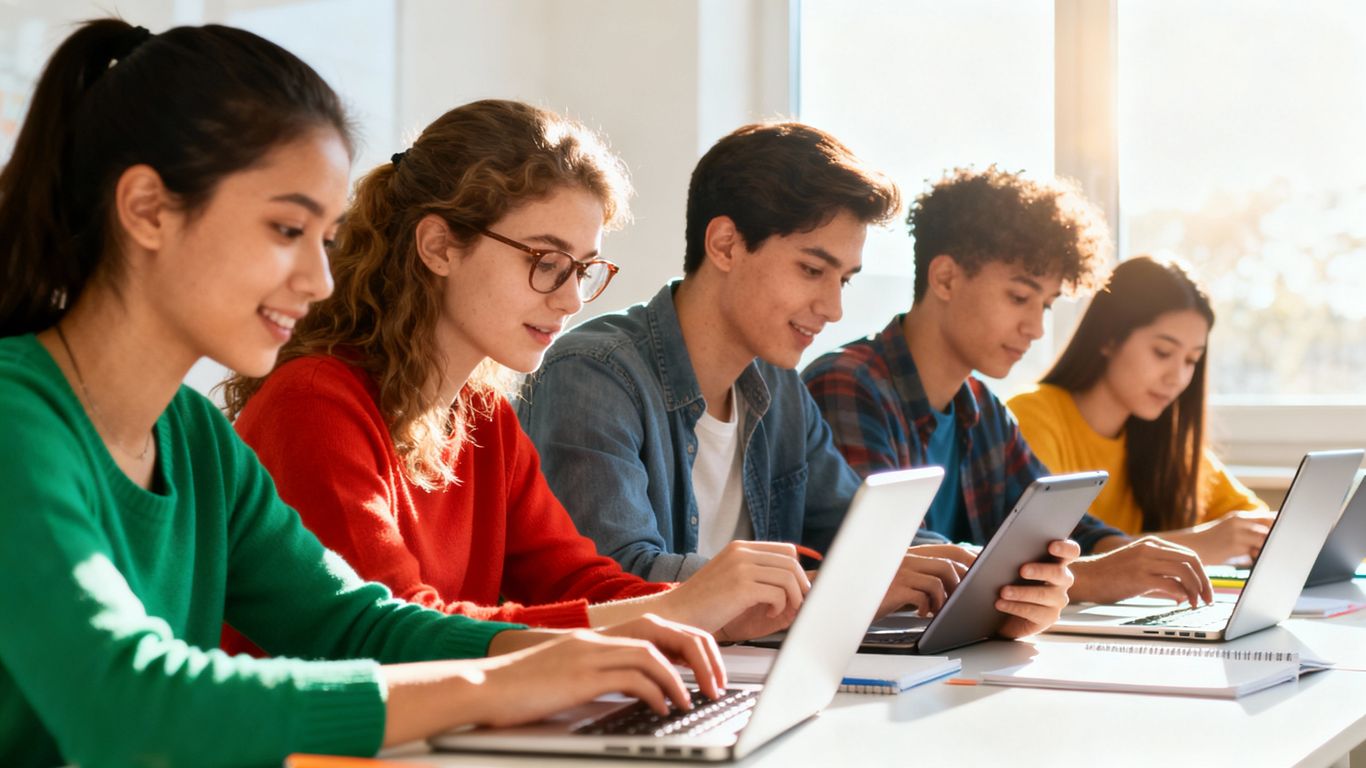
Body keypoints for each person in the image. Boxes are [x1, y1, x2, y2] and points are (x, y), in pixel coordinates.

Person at [0, 21, 723, 766]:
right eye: (287, 228)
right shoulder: (16, 420)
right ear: (148, 209)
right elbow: (128, 700)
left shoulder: (190, 434)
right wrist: (493, 681)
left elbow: (353, 623)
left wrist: (555, 653)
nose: (318, 279)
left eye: (325, 236)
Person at [219, 99, 808, 651]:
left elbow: (575, 582)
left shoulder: (482, 415)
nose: (573, 299)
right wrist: (676, 612)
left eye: (583, 269)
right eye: (547, 262)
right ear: (439, 246)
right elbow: (395, 632)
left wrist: (715, 611)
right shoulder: (316, 403)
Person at [519, 123, 1079, 638]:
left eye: (844, 279)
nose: (833, 308)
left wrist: (990, 581)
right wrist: (848, 586)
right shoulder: (593, 375)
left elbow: (863, 532)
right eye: (812, 270)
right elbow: (616, 586)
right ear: (725, 245)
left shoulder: (776, 388)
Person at [803, 166, 1215, 608]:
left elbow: (1062, 526)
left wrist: (1133, 559)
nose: (1036, 328)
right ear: (944, 278)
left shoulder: (982, 408)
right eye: (1020, 298)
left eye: (1046, 305)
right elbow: (903, 559)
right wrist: (1091, 577)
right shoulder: (847, 384)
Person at [1007, 255, 1271, 565]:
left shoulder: (1168, 441)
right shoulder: (1032, 415)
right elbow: (1042, 555)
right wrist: (1198, 544)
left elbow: (1258, 523)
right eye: (1163, 352)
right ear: (1108, 339)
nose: (1178, 378)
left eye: (1191, 361)